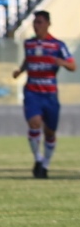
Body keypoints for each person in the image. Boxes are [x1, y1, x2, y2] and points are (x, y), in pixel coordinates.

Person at [12, 10, 75, 179]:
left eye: (39, 22)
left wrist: (60, 62)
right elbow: (28, 60)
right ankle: (37, 159)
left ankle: (45, 164)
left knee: (50, 133)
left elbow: (72, 66)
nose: (36, 25)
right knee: (34, 123)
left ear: (48, 23)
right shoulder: (29, 44)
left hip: (50, 94)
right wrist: (20, 70)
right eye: (35, 22)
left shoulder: (57, 45)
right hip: (32, 92)